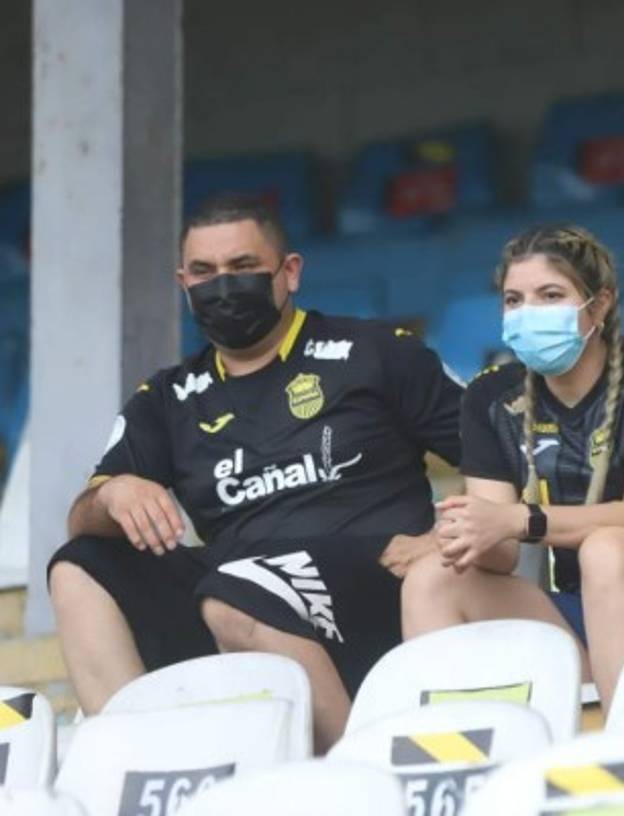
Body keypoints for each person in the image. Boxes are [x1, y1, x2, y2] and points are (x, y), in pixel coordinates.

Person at [48, 195, 463, 752]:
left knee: (240, 592)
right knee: (78, 566)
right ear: (183, 282)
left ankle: (360, 778)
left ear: (289, 272)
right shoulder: (167, 397)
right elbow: (84, 518)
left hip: (370, 577)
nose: (222, 285)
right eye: (203, 272)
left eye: (242, 268)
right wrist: (115, 492)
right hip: (233, 597)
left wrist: (446, 536)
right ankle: (135, 761)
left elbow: (498, 457)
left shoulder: (376, 353)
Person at [392, 225, 624, 709]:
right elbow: (501, 552)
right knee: (432, 579)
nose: (528, 312)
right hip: (569, 613)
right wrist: (463, 533)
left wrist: (520, 519)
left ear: (598, 306)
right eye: (514, 300)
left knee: (609, 549)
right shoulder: (490, 394)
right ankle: (461, 750)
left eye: (550, 295)